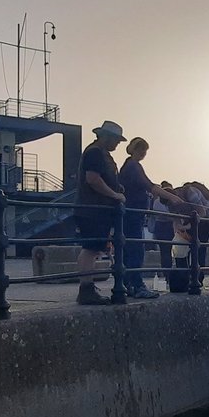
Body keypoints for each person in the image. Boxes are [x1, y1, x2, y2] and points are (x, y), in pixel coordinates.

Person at [119, 138, 184, 298]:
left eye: (145, 151)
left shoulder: (128, 166)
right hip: (132, 213)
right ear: (135, 149)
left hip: (131, 213)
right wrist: (171, 196)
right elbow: (149, 186)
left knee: (129, 249)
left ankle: (126, 284)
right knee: (136, 250)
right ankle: (137, 286)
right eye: (142, 150)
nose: (143, 154)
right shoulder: (133, 166)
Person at [74, 121, 127, 305]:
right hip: (93, 210)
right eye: (116, 140)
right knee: (90, 249)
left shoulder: (100, 153)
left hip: (96, 209)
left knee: (93, 248)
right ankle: (86, 289)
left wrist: (115, 187)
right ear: (106, 137)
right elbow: (93, 179)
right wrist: (115, 195)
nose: (117, 145)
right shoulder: (95, 153)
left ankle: (87, 288)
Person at [150, 181, 176, 281]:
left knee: (166, 251)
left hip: (166, 226)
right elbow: (161, 214)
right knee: (165, 251)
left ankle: (168, 274)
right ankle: (167, 274)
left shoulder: (158, 201)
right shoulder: (158, 201)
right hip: (163, 226)